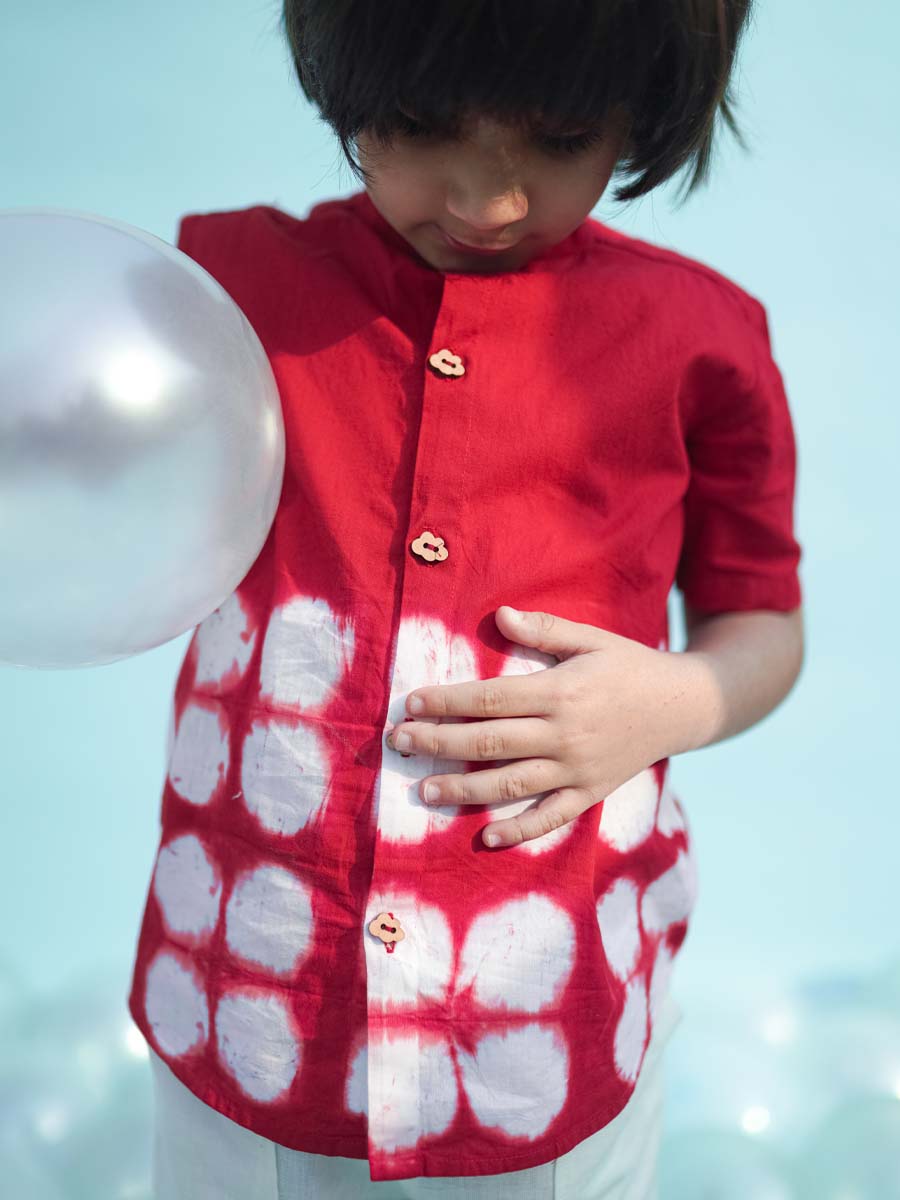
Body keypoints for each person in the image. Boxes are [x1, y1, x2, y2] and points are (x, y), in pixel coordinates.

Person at [131, 1, 805, 1196]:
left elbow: (766, 630)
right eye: (422, 122)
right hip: (250, 989)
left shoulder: (703, 341)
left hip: (545, 1009)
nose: (488, 202)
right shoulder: (218, 294)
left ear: (643, 112)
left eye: (560, 142)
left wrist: (675, 701)